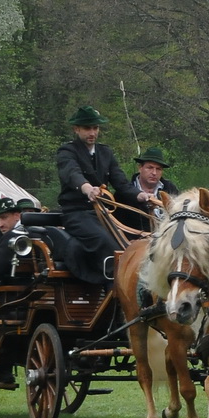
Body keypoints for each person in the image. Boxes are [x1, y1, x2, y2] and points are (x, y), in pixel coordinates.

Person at [56, 106, 152, 286]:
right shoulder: (67, 152)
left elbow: (121, 184)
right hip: (77, 214)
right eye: (87, 128)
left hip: (104, 215)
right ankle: (117, 286)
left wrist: (141, 196)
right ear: (76, 129)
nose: (92, 132)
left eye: (95, 128)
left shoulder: (105, 152)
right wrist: (87, 188)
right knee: (105, 242)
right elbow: (71, 173)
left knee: (133, 242)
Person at [118, 147, 179, 235]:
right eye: (150, 168)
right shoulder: (125, 193)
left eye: (158, 169)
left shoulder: (170, 189)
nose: (154, 173)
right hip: (134, 243)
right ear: (140, 168)